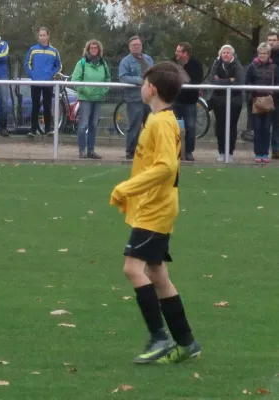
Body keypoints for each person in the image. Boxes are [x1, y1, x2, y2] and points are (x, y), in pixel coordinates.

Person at [109, 61, 201, 364]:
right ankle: (186, 341)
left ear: (152, 88)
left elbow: (166, 167)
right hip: (157, 205)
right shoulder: (161, 119)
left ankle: (159, 337)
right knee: (156, 272)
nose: (141, 86)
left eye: (144, 82)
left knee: (132, 269)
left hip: (155, 208)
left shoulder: (161, 122)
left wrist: (127, 188)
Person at [70, 39, 110, 159]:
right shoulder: (81, 63)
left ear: (99, 50)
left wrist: (104, 90)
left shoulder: (103, 64)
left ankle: (91, 150)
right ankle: (82, 150)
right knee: (84, 124)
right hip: (85, 98)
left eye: (96, 48)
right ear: (87, 49)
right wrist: (85, 90)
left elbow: (108, 79)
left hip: (98, 98)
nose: (94, 50)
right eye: (91, 48)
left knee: (93, 124)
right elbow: (75, 81)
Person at [118, 36, 154, 159]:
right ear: (129, 47)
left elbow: (154, 73)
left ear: (141, 45)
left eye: (138, 44)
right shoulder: (125, 62)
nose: (136, 46)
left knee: (150, 125)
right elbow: (123, 77)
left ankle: (148, 151)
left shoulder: (148, 59)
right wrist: (140, 81)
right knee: (134, 125)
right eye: (133, 45)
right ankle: (130, 151)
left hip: (149, 99)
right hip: (135, 98)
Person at [23, 27, 62, 137]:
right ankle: (33, 130)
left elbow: (58, 65)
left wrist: (51, 74)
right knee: (35, 106)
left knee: (47, 106)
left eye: (44, 35)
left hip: (48, 83)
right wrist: (32, 75)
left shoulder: (54, 51)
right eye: (40, 35)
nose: (42, 37)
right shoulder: (33, 49)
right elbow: (27, 64)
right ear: (38, 37)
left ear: (48, 36)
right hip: (36, 82)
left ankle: (48, 130)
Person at [209, 44, 244, 162]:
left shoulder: (237, 65)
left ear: (232, 54)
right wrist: (229, 80)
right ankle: (221, 152)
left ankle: (230, 152)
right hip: (218, 101)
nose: (225, 54)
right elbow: (213, 81)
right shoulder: (216, 64)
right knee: (220, 126)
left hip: (234, 101)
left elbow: (239, 83)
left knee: (232, 126)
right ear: (220, 54)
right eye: (223, 52)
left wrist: (221, 81)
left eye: (228, 52)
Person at [245, 42, 279, 163]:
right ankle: (258, 153)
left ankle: (265, 153)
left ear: (269, 54)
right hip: (256, 101)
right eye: (260, 53)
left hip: (269, 102)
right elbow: (247, 82)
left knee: (266, 128)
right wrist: (255, 91)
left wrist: (272, 92)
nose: (262, 55)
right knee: (258, 128)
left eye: (265, 53)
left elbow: (276, 83)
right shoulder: (251, 67)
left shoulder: (274, 67)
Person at [173, 42, 203, 161]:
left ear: (185, 53)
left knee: (190, 126)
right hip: (175, 100)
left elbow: (196, 81)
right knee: (174, 127)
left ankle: (189, 151)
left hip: (190, 102)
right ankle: (175, 151)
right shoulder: (173, 63)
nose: (176, 53)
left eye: (178, 51)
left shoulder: (196, 65)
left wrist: (182, 83)